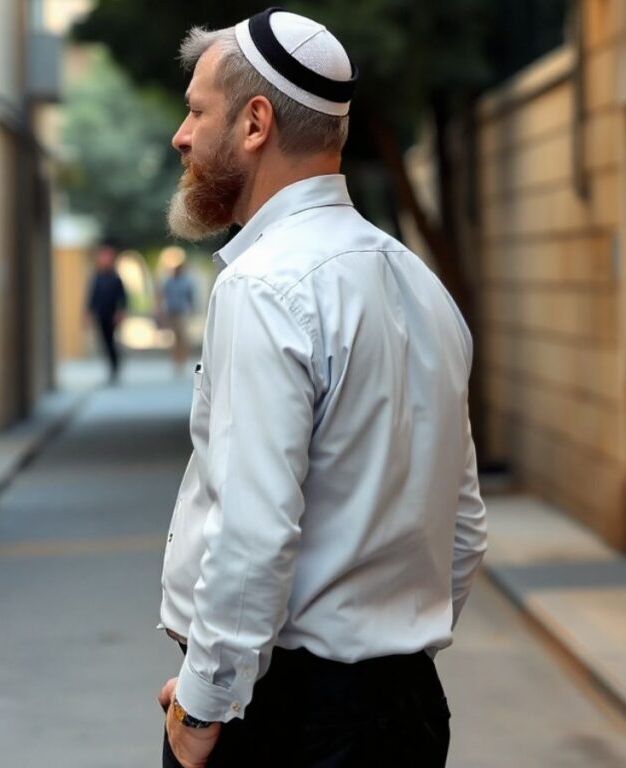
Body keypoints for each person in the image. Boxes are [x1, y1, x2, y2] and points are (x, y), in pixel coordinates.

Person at [157, 9, 488, 768]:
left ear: (255, 122)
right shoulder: (420, 283)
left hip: (288, 720)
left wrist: (202, 710)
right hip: (406, 711)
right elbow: (462, 523)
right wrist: (388, 649)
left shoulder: (264, 287)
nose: (181, 134)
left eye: (197, 110)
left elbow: (253, 532)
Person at [84, 238, 128, 383]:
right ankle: (112, 366)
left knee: (111, 341)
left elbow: (122, 297)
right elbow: (92, 296)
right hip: (100, 314)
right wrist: (87, 313)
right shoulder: (97, 277)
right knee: (105, 342)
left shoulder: (115, 278)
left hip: (112, 315)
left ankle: (115, 366)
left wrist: (120, 312)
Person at [161, 259, 196, 375]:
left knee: (183, 337)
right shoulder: (169, 282)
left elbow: (190, 296)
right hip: (172, 311)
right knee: (174, 338)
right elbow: (163, 295)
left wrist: (192, 310)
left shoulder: (186, 282)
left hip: (182, 311)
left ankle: (182, 360)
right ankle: (176, 361)